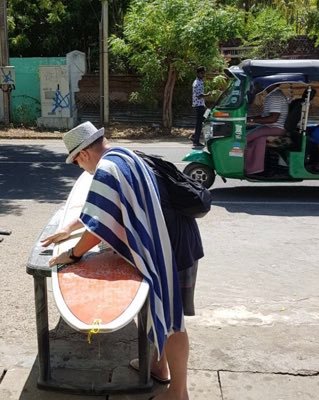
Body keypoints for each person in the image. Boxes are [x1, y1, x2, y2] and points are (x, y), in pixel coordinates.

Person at [41, 121, 203, 400]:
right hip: (177, 237)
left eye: (78, 163)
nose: (82, 169)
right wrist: (69, 228)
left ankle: (178, 393)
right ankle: (158, 366)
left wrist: (74, 253)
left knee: (173, 318)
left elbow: (99, 225)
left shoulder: (106, 169)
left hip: (171, 248)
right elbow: (108, 208)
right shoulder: (124, 155)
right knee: (155, 308)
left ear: (83, 155)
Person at [245, 84, 289, 175]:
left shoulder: (275, 96)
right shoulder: (273, 95)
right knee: (255, 137)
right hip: (271, 127)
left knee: (244, 138)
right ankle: (253, 167)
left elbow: (273, 119)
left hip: (275, 128)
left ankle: (252, 168)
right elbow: (265, 116)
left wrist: (252, 120)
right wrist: (249, 119)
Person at [190, 66, 210, 148]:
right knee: (200, 123)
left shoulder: (200, 81)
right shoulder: (197, 82)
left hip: (201, 105)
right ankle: (196, 141)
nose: (203, 74)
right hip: (199, 106)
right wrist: (208, 95)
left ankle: (194, 137)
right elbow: (199, 95)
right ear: (198, 73)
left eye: (204, 73)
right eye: (202, 73)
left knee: (204, 119)